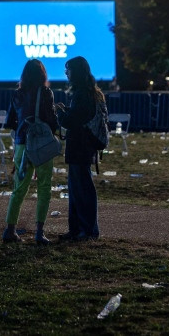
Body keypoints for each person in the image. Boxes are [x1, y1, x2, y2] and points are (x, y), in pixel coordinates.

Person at [2, 59, 60, 244]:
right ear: (43, 75)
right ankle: (39, 232)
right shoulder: (45, 93)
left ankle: (10, 230)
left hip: (21, 144)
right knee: (44, 187)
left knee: (19, 188)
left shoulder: (17, 94)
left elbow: (10, 122)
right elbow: (51, 120)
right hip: (41, 144)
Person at [58, 55, 103, 240]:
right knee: (77, 188)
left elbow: (74, 121)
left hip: (80, 146)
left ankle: (88, 230)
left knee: (82, 189)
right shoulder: (88, 92)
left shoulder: (82, 94)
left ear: (75, 71)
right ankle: (77, 229)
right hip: (83, 146)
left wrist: (61, 114)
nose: (66, 73)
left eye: (68, 69)